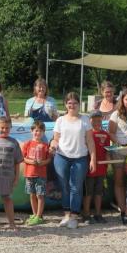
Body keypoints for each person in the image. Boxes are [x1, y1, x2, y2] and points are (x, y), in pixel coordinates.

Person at [51, 92, 97, 229]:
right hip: (61, 157)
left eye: (75, 103)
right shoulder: (60, 120)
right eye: (69, 103)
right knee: (64, 186)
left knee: (76, 187)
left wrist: (93, 159)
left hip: (80, 158)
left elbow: (90, 141)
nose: (72, 105)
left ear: (79, 104)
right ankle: (66, 214)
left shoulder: (85, 120)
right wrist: (53, 145)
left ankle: (74, 216)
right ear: (65, 105)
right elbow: (55, 139)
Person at [82, 110, 110, 224]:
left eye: (99, 120)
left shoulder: (106, 135)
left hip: (102, 168)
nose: (97, 123)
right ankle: (86, 214)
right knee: (88, 192)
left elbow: (107, 150)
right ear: (89, 121)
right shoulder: (87, 134)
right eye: (94, 120)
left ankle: (98, 214)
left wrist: (107, 161)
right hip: (89, 169)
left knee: (99, 192)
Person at [22, 120, 51, 226]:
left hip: (41, 175)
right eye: (35, 130)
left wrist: (42, 162)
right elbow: (23, 158)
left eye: (40, 131)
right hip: (29, 174)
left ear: (43, 132)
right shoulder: (27, 144)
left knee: (40, 195)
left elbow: (49, 159)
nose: (37, 133)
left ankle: (39, 216)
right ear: (31, 131)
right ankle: (35, 214)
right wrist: (31, 162)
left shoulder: (45, 145)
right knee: (32, 195)